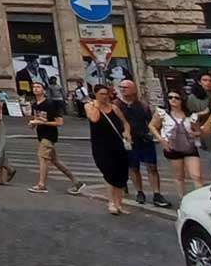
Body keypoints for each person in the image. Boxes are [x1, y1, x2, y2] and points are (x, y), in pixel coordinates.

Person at [25, 80, 84, 195]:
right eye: (34, 87)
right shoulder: (35, 104)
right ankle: (77, 182)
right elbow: (37, 119)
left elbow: (59, 122)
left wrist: (42, 123)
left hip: (50, 135)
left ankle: (41, 185)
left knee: (42, 158)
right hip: (41, 135)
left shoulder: (50, 104)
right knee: (55, 161)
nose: (36, 89)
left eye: (38, 87)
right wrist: (33, 124)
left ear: (43, 90)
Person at [116, 79, 168, 208]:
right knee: (133, 167)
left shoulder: (143, 106)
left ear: (134, 90)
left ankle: (157, 193)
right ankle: (139, 191)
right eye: (121, 87)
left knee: (152, 166)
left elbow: (151, 122)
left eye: (126, 87)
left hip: (144, 139)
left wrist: (152, 133)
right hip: (129, 141)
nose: (123, 89)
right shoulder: (116, 105)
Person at [85, 83, 133, 215]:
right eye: (101, 94)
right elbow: (94, 119)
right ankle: (111, 202)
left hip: (117, 144)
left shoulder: (114, 108)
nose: (105, 97)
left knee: (121, 174)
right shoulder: (90, 106)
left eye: (106, 94)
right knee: (109, 172)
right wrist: (96, 104)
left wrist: (127, 132)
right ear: (95, 94)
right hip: (101, 146)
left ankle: (119, 203)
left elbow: (125, 122)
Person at [159, 91, 203, 199]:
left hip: (190, 147)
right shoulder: (163, 114)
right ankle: (182, 198)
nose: (173, 100)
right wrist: (162, 139)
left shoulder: (190, 115)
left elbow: (198, 131)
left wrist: (195, 133)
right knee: (179, 176)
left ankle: (201, 200)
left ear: (182, 100)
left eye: (176, 97)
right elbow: (152, 125)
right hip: (173, 147)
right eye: (170, 97)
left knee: (196, 175)